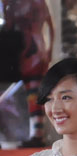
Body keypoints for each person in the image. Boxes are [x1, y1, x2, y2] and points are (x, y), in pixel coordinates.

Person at [4, 0, 54, 147]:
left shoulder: (22, 4)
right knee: (33, 92)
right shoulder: (34, 3)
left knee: (34, 92)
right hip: (32, 50)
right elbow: (50, 26)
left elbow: (9, 25)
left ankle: (37, 133)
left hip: (30, 51)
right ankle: (37, 132)